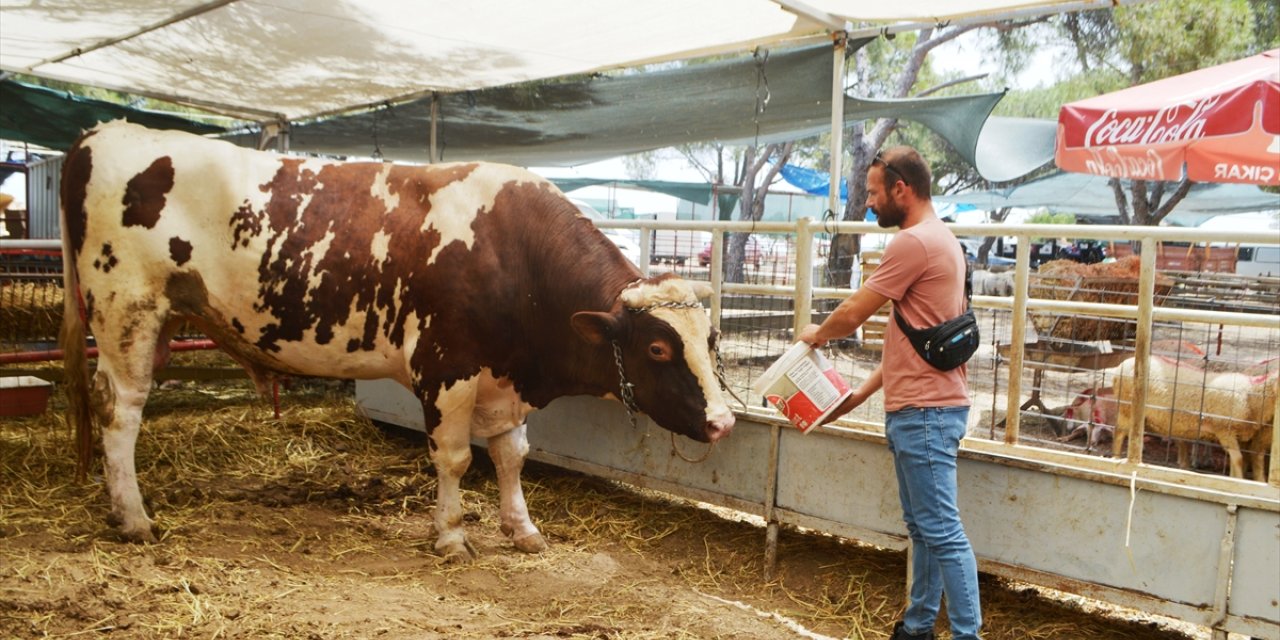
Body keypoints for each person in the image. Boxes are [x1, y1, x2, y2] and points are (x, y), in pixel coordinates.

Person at [797, 146, 981, 640]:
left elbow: (855, 311)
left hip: (925, 411)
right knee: (925, 529)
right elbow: (912, 341)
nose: (870, 203)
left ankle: (967, 635)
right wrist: (857, 395)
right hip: (923, 407)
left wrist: (817, 334)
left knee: (941, 531)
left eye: (875, 193)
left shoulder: (912, 243)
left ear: (902, 189)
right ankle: (918, 626)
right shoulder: (943, 240)